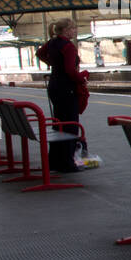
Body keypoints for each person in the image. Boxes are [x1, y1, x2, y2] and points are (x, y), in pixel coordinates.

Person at [35, 17, 82, 173]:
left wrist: (53, 64)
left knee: (58, 124)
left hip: (54, 86)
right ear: (66, 30)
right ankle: (67, 162)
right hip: (66, 88)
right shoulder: (68, 46)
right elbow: (70, 70)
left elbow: (39, 53)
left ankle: (54, 160)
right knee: (70, 125)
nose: (75, 31)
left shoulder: (52, 43)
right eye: (73, 28)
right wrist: (83, 77)